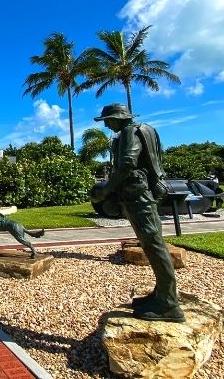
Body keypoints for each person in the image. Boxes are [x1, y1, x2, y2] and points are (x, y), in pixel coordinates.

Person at [89, 103, 185, 323]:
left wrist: (105, 189)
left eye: (108, 121)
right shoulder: (145, 129)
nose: (107, 125)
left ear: (117, 118)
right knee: (153, 243)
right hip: (144, 193)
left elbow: (126, 164)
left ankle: (169, 304)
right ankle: (162, 293)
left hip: (138, 195)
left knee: (153, 245)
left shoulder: (128, 133)